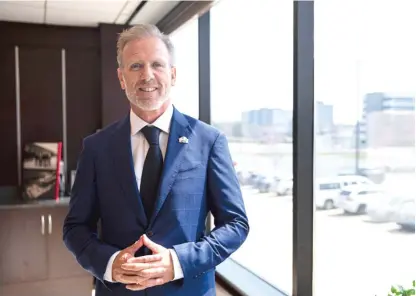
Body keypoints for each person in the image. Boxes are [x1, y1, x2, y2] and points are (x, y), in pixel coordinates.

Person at [63, 24, 249, 296]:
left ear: (172, 74)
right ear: (121, 77)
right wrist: (110, 263)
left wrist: (179, 262)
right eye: (135, 66)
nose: (147, 75)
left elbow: (236, 224)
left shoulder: (209, 141)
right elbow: (75, 227)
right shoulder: (96, 147)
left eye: (157, 65)